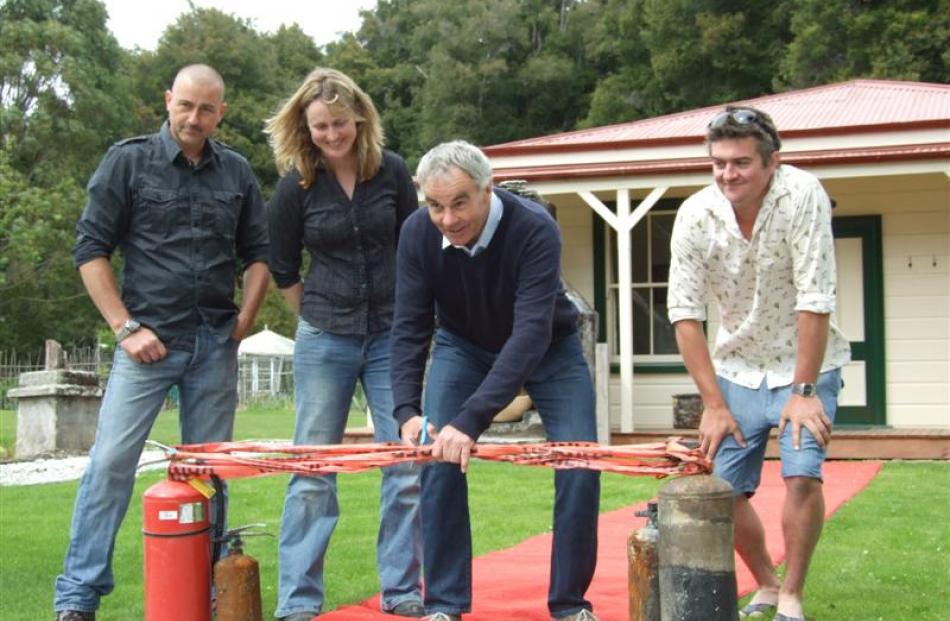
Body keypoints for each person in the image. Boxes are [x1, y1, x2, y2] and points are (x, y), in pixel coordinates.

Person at [54, 64, 270, 621]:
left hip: (213, 345)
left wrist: (245, 316)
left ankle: (210, 589)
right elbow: (90, 250)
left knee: (208, 475)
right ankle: (77, 597)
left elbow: (259, 255)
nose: (194, 118)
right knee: (109, 466)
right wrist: (125, 328)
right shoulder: (127, 161)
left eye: (206, 109)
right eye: (185, 106)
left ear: (222, 112)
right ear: (168, 100)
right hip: (146, 346)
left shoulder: (239, 173)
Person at [390, 140, 601, 621]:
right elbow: (409, 325)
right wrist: (406, 410)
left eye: (460, 202)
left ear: (489, 190)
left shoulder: (534, 228)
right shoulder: (416, 233)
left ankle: (570, 604)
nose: (447, 218)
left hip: (549, 347)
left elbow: (529, 335)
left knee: (580, 464)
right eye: (435, 205)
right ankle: (443, 603)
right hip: (461, 345)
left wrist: (469, 420)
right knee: (438, 461)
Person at [667, 106, 851, 621]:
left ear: (772, 163)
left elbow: (816, 296)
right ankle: (766, 583)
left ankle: (792, 593)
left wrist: (805, 391)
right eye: (719, 162)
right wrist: (712, 403)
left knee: (802, 477)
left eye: (742, 162)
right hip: (735, 368)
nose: (728, 174)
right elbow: (684, 312)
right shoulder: (695, 214)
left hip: (807, 363)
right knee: (723, 492)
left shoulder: (802, 194)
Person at [264, 67, 424, 620]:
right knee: (312, 469)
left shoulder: (393, 172)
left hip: (390, 337)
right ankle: (298, 603)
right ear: (306, 128)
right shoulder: (296, 186)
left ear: (359, 117)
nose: (332, 135)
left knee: (404, 462)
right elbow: (281, 264)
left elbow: (417, 247)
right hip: (325, 337)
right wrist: (310, 312)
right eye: (321, 126)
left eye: (339, 123)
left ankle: (402, 592)